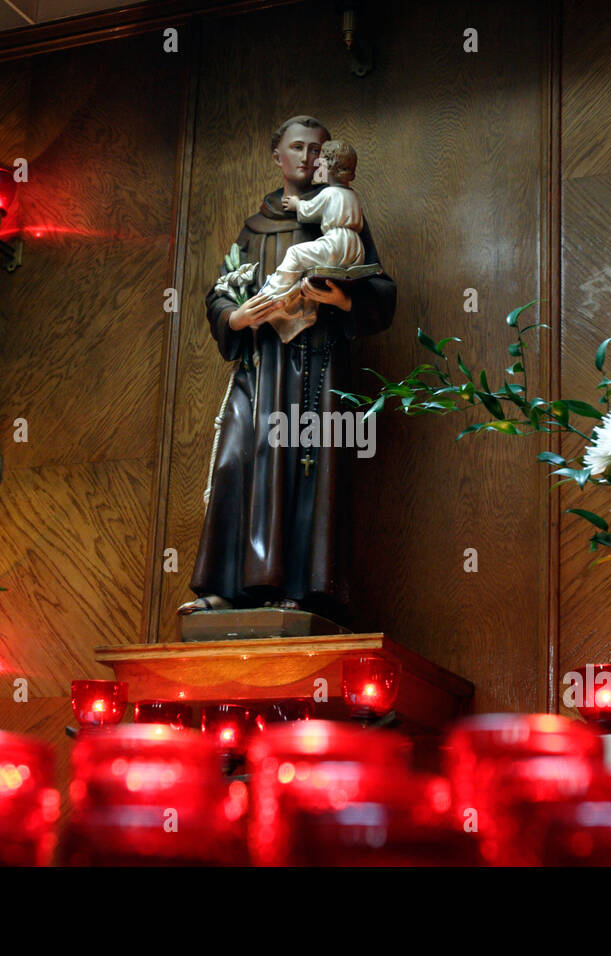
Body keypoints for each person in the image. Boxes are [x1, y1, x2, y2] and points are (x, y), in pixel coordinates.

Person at [178, 116, 396, 624]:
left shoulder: (342, 217)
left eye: (316, 148)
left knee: (308, 473)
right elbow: (221, 291)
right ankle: (225, 587)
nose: (307, 156)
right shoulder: (256, 229)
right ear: (277, 156)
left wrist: (344, 298)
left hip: (317, 374)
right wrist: (235, 315)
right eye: (296, 147)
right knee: (236, 462)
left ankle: (302, 590)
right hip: (259, 370)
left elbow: (382, 292)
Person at [245, 139, 366, 343]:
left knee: (294, 254)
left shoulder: (329, 193)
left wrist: (296, 204)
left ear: (329, 167)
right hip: (354, 247)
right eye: (298, 147)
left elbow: (309, 211)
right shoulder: (352, 195)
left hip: (336, 242)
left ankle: (271, 294)